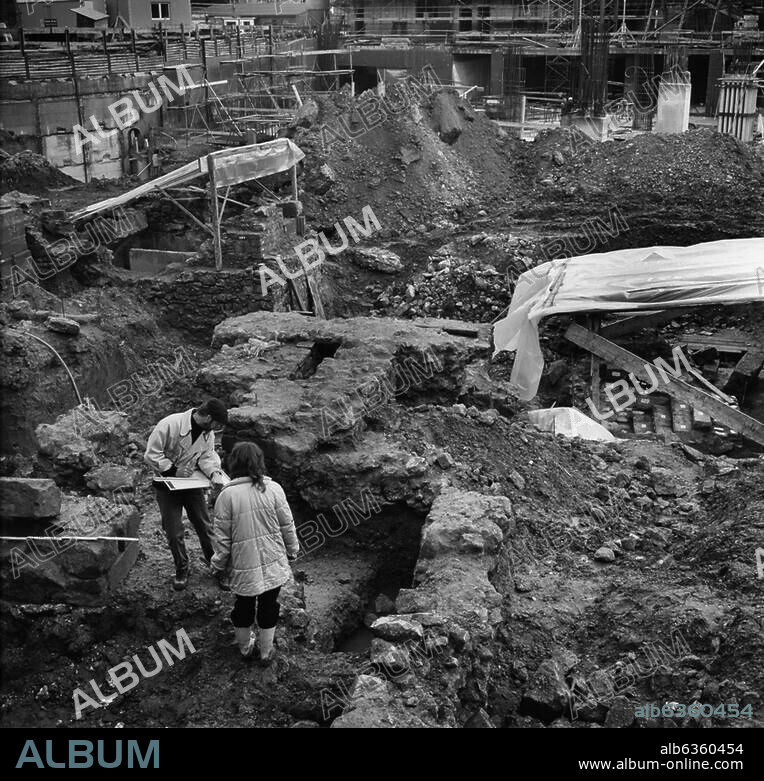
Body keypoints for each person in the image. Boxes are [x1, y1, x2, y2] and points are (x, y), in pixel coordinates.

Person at [210, 442, 299, 665]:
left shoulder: (226, 496)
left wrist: (218, 564)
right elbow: (287, 524)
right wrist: (293, 549)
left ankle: (245, 648)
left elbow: (222, 538)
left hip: (243, 564)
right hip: (273, 559)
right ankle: (266, 653)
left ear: (233, 463)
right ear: (259, 461)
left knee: (243, 606)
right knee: (269, 605)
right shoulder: (274, 489)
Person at [144, 399, 229, 590]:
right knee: (174, 532)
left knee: (204, 526)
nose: (218, 429)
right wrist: (174, 470)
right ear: (207, 417)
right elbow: (151, 454)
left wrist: (214, 472)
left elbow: (207, 456)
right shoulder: (169, 425)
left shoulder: (208, 433)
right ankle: (182, 568)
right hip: (167, 484)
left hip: (192, 484)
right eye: (217, 424)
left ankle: (216, 566)